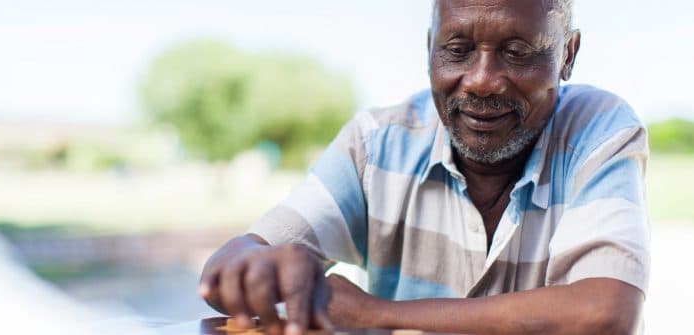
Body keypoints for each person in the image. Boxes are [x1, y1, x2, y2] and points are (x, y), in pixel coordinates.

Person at [198, 0, 650, 334]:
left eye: (516, 52)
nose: (481, 80)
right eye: (457, 50)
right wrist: (256, 269)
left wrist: (374, 314)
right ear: (429, 49)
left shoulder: (598, 130)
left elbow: (605, 313)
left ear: (567, 55)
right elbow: (228, 269)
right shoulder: (377, 144)